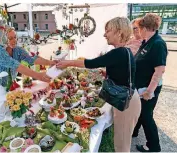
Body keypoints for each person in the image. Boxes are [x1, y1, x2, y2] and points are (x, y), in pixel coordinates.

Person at [56, 17, 141, 152]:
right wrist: (107, 73)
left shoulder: (118, 52)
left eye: (108, 31)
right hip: (127, 98)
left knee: (122, 145)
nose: (104, 34)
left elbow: (90, 63)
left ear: (119, 32)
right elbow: (121, 72)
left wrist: (67, 63)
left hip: (127, 102)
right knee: (120, 141)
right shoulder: (124, 51)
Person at [0, 20, 55, 110]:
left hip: (2, 88)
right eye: (10, 39)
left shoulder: (17, 50)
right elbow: (16, 65)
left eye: (15, 37)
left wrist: (51, 62)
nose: (14, 41)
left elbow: (31, 59)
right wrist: (38, 76)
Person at [133, 13, 168, 152]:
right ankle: (134, 131)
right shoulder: (147, 41)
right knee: (141, 111)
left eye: (138, 28)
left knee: (146, 116)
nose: (137, 31)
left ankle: (154, 145)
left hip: (148, 88)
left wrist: (149, 91)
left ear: (145, 27)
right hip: (141, 86)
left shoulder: (158, 44)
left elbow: (159, 70)